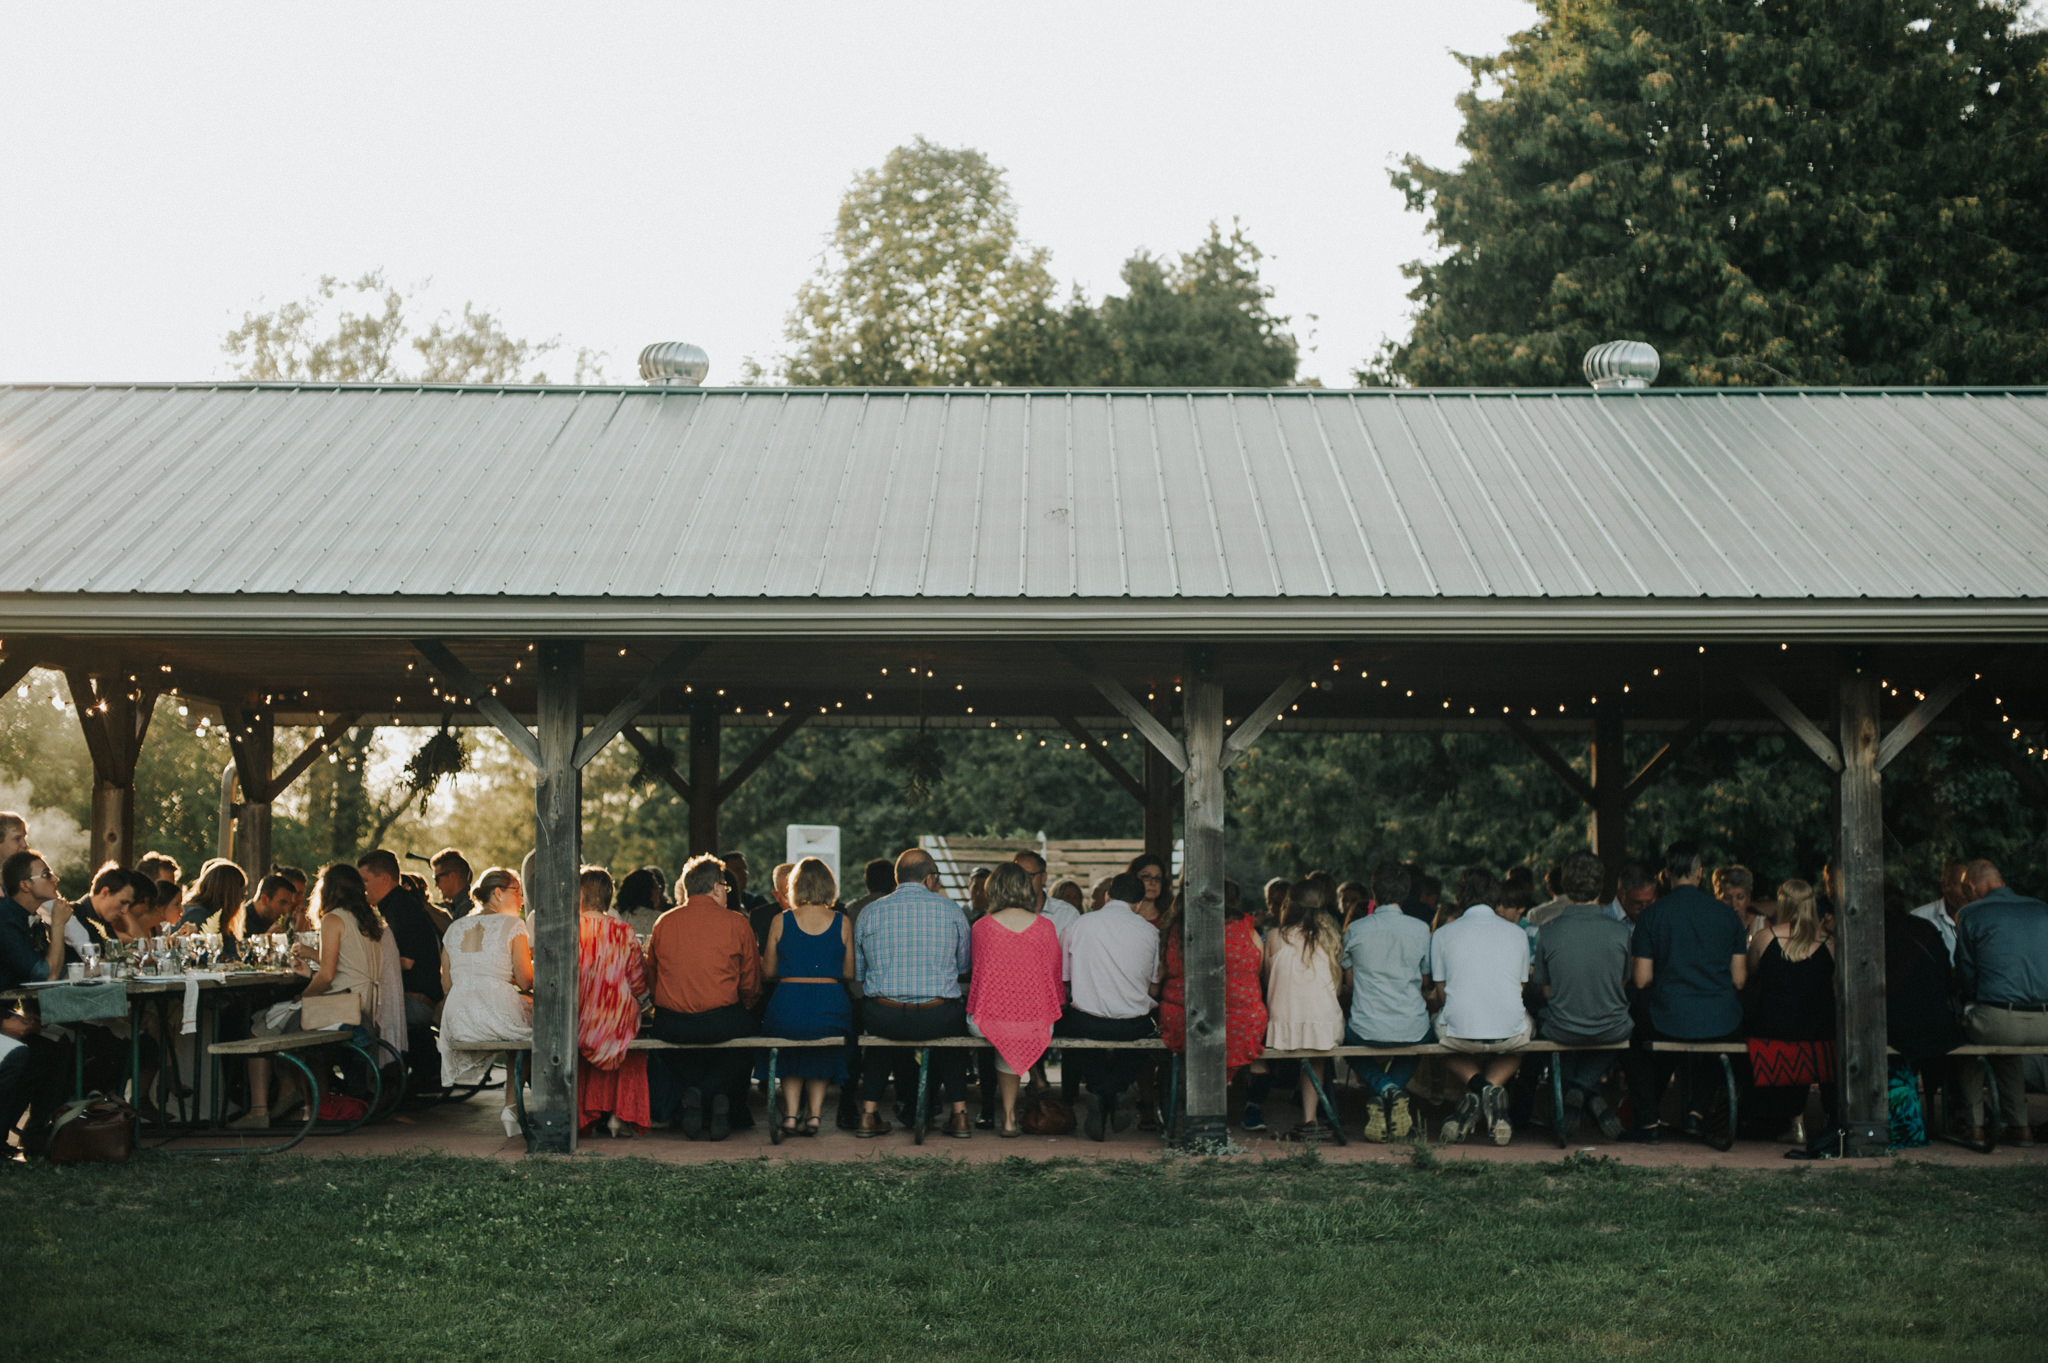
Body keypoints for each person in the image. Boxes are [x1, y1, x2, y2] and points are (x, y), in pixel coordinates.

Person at [244, 863, 406, 1130]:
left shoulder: (334, 919)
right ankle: (293, 1095)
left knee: (261, 1023)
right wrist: (311, 960)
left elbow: (328, 976)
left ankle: (260, 1108)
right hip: (362, 1005)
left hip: (340, 1009)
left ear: (328, 889)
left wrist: (303, 996)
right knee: (286, 1020)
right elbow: (351, 966)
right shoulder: (371, 921)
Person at [1624, 841, 1749, 1149]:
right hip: (1721, 1018)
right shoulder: (1728, 916)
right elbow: (1740, 979)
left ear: (1666, 875)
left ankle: (1648, 1119)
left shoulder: (1651, 915)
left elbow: (1640, 980)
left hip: (1668, 1015)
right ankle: (1697, 1112)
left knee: (1628, 1038)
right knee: (1714, 1041)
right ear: (1700, 873)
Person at [853, 849, 972, 1139]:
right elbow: (964, 966)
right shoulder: (951, 910)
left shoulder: (870, 912)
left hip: (885, 1014)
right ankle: (959, 1117)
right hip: (938, 1015)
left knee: (880, 1044)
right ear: (930, 877)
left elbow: (860, 973)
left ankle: (868, 1115)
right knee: (953, 1043)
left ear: (898, 877)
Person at [645, 854, 762, 1141]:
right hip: (722, 1021)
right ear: (718, 887)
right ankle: (717, 1095)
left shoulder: (664, 922)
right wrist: (744, 1008)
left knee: (669, 1047)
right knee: (750, 1035)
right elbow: (751, 983)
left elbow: (652, 976)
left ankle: (696, 1094)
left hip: (671, 1023)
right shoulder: (737, 923)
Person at [1531, 852, 1633, 1142]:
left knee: (1549, 1019)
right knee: (1626, 1025)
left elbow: (1546, 990)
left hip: (1561, 1027)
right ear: (1602, 886)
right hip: (1611, 1029)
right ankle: (1586, 1089)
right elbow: (1622, 982)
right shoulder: (1620, 931)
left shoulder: (1548, 932)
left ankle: (1576, 1089)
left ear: (1564, 885)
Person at [1427, 866, 1532, 1146]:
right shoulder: (1517, 934)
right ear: (1495, 895)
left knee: (1438, 1041)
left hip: (1460, 1034)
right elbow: (1520, 989)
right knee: (1523, 1039)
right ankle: (1491, 1090)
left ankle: (1478, 1090)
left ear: (1460, 895)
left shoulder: (1442, 935)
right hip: (1507, 1032)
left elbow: (1441, 996)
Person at [1057, 870, 1160, 1140]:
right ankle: (1117, 1088)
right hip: (1133, 1025)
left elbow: (1065, 980)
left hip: (1086, 1021)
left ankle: (1097, 1088)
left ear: (1106, 896)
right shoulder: (1150, 932)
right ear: (1138, 904)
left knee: (1071, 1026)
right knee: (1149, 1031)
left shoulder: (1079, 925)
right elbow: (1154, 984)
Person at [1953, 858, 2048, 1151]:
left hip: (1997, 1020)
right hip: (2045, 1021)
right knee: (2007, 1054)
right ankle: (2020, 1127)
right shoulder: (2041, 910)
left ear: (1971, 886)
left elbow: (1966, 975)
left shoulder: (1970, 913)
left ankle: (1976, 1126)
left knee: (1965, 1043)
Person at [966, 862, 1063, 1137]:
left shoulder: (981, 927)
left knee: (1002, 1032)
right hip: (1036, 1021)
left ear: (993, 889)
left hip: (987, 1019)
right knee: (1018, 1028)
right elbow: (1055, 981)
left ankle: (1008, 1116)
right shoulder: (1045, 927)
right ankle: (1015, 1109)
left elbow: (977, 974)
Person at [436, 867, 533, 1139]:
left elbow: (446, 984)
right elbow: (526, 982)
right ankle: (512, 1107)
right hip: (495, 1011)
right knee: (531, 1032)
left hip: (457, 1018)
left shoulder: (454, 927)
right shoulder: (514, 925)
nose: (522, 900)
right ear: (498, 893)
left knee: (518, 1025)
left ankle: (513, 1109)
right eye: (518, 892)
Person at [1339, 861, 1433, 1141]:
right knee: (1423, 1042)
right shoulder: (1421, 930)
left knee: (1345, 1042)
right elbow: (1426, 981)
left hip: (1366, 1026)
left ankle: (1385, 1088)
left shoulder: (1355, 930)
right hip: (1412, 1026)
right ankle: (1392, 1088)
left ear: (1373, 891)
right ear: (1405, 893)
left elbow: (1349, 983)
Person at [760, 857, 852, 1138]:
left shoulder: (781, 920)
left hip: (787, 1003)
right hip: (830, 1004)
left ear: (795, 886)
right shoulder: (842, 922)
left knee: (789, 1050)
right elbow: (849, 973)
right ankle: (813, 1117)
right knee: (822, 1051)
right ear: (829, 886)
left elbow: (768, 971)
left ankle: (789, 1116)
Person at [1162, 878, 1268, 1116]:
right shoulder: (1245, 927)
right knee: (1259, 1052)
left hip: (1183, 1017)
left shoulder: (1177, 925)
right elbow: (1258, 968)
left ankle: (1197, 1097)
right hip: (1243, 1021)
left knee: (1180, 1051)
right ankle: (1244, 1102)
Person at [1742, 879, 1837, 1142]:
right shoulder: (1830, 944)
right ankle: (1797, 1118)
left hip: (1772, 1029)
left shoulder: (1765, 938)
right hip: (1817, 1031)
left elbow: (1750, 975)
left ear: (1782, 903)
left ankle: (1765, 1117)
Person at [1262, 881, 1346, 1141]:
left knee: (1305, 1048)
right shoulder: (1330, 939)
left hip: (1282, 1025)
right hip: (1324, 1025)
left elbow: (1266, 979)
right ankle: (1309, 1119)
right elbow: (1339, 989)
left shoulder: (1276, 936)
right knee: (1316, 1055)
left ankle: (1252, 1106)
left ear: (1290, 906)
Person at [576, 866, 649, 1139]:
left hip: (578, 1020)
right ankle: (620, 1115)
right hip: (616, 1023)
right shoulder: (623, 931)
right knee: (636, 1042)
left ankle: (584, 1114)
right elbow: (639, 984)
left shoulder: (568, 930)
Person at [359, 849, 445, 1033]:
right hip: (414, 999)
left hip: (415, 1002)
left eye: (365, 881)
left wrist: (363, 966)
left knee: (355, 1015)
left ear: (383, 879)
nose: (362, 888)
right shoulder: (399, 904)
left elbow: (406, 961)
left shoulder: (400, 908)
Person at [178, 860, 248, 954]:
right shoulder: (197, 916)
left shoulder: (216, 919)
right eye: (241, 891)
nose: (243, 896)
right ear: (230, 894)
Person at [1910, 857, 1969, 962]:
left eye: (1970, 885)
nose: (1969, 890)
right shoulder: (1919, 918)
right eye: (1962, 885)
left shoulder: (1982, 920)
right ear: (1945, 886)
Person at [1016, 850, 1078, 939]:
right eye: (1017, 876)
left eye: (1029, 876)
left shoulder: (1067, 914)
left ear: (1043, 878)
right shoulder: (1003, 916)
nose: (1022, 881)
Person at [241, 873, 302, 941]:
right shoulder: (241, 920)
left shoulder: (271, 919)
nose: (286, 910)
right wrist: (267, 938)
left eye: (289, 904)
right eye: (282, 903)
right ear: (264, 899)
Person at [614, 867, 668, 940]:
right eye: (656, 887)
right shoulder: (660, 921)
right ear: (646, 891)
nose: (659, 891)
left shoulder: (616, 917)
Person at [1714, 865, 1763, 938]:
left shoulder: (1761, 926)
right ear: (1717, 898)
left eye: (1740, 897)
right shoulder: (1710, 926)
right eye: (1727, 898)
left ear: (1748, 898)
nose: (1734, 904)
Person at [431, 848, 476, 923]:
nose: (436, 885)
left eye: (437, 879)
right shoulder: (460, 905)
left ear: (452, 876)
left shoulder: (468, 908)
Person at [1127, 852, 1169, 925]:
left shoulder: (1169, 919)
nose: (1153, 883)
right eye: (1146, 876)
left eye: (1157, 878)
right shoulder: (1124, 916)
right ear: (1133, 879)